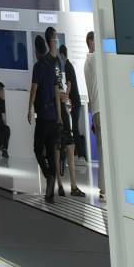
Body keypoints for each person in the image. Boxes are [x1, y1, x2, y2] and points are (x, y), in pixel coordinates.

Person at [27, 30, 63, 202]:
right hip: (53, 115)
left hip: (42, 115)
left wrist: (29, 109)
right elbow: (57, 91)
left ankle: (48, 175)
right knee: (50, 152)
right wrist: (59, 116)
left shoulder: (38, 67)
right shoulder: (51, 65)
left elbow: (34, 89)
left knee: (37, 148)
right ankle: (50, 195)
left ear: (36, 50)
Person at [59, 38, 85, 197]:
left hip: (75, 102)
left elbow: (68, 84)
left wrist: (65, 97)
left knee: (74, 129)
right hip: (75, 102)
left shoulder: (67, 66)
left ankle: (80, 155)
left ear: (62, 55)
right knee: (74, 129)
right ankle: (78, 155)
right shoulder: (69, 66)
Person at [84, 28, 103, 197]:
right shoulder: (96, 58)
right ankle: (104, 188)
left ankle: (103, 187)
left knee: (101, 150)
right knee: (104, 152)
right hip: (100, 110)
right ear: (91, 42)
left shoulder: (86, 63)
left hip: (96, 111)